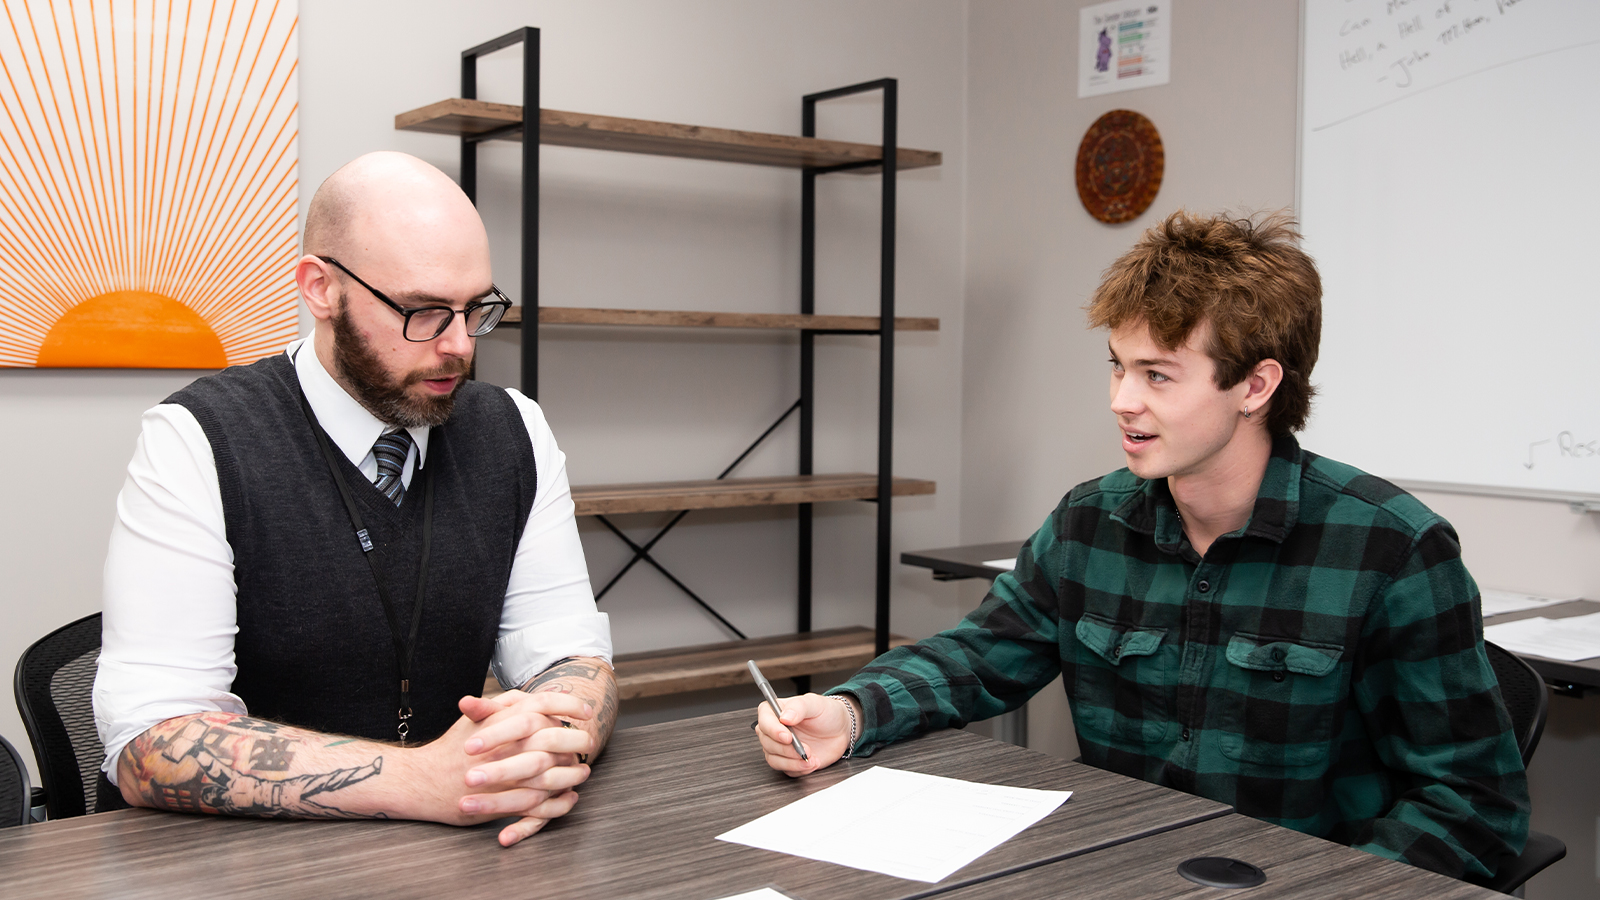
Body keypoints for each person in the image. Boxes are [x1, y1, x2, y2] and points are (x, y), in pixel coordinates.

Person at [753, 210, 1530, 882]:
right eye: (1119, 368)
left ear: (1255, 387)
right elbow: (980, 655)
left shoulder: (1392, 550)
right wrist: (852, 712)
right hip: (1116, 872)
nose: (1123, 402)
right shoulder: (1089, 521)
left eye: (1159, 376)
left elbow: (1473, 807)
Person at [93, 152, 617, 847]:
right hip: (234, 865)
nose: (459, 346)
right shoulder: (197, 439)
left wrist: (546, 740)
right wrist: (422, 781)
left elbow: (572, 656)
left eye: (477, 309)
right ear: (321, 288)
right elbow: (150, 740)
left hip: (454, 848)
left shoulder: (513, 429)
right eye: (425, 312)